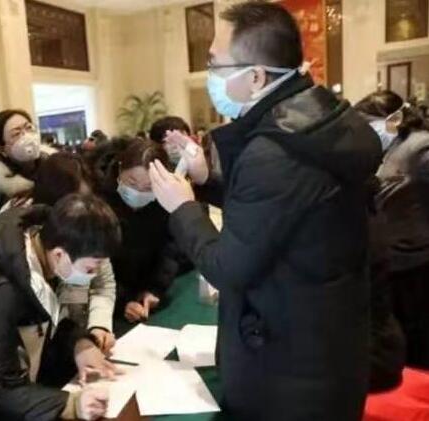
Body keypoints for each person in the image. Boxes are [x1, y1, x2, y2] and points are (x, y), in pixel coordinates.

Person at [147, 2, 382, 420]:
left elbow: (228, 268)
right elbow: (274, 212)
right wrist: (207, 181)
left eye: (215, 63)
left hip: (289, 371)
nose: (209, 74)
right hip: (325, 343)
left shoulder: (275, 151)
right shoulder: (317, 123)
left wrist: (182, 208)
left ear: (255, 77)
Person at [0, 194, 121, 420]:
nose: (93, 276)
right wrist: (73, 405)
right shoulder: (0, 292)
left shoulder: (38, 248)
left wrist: (80, 344)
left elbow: (46, 320)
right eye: (90, 269)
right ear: (59, 254)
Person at [0, 152, 117, 352]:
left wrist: (98, 325)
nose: (83, 209)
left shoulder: (89, 225)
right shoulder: (15, 236)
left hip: (73, 338)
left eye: (87, 199)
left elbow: (102, 282)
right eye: (75, 201)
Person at [356, 92, 429, 371]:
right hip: (393, 260)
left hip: (416, 261)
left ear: (394, 119)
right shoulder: (384, 149)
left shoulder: (419, 147)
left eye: (368, 123)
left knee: (417, 336)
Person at [100, 139, 186, 323]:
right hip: (108, 300)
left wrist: (154, 289)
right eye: (131, 183)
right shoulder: (99, 202)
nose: (138, 192)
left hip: (146, 291)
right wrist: (122, 301)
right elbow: (96, 265)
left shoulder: (165, 201)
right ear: (120, 169)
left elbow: (170, 248)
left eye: (148, 188)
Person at [0, 109, 56, 207]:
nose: (27, 136)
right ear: (2, 150)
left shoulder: (56, 167)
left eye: (29, 128)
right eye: (16, 134)